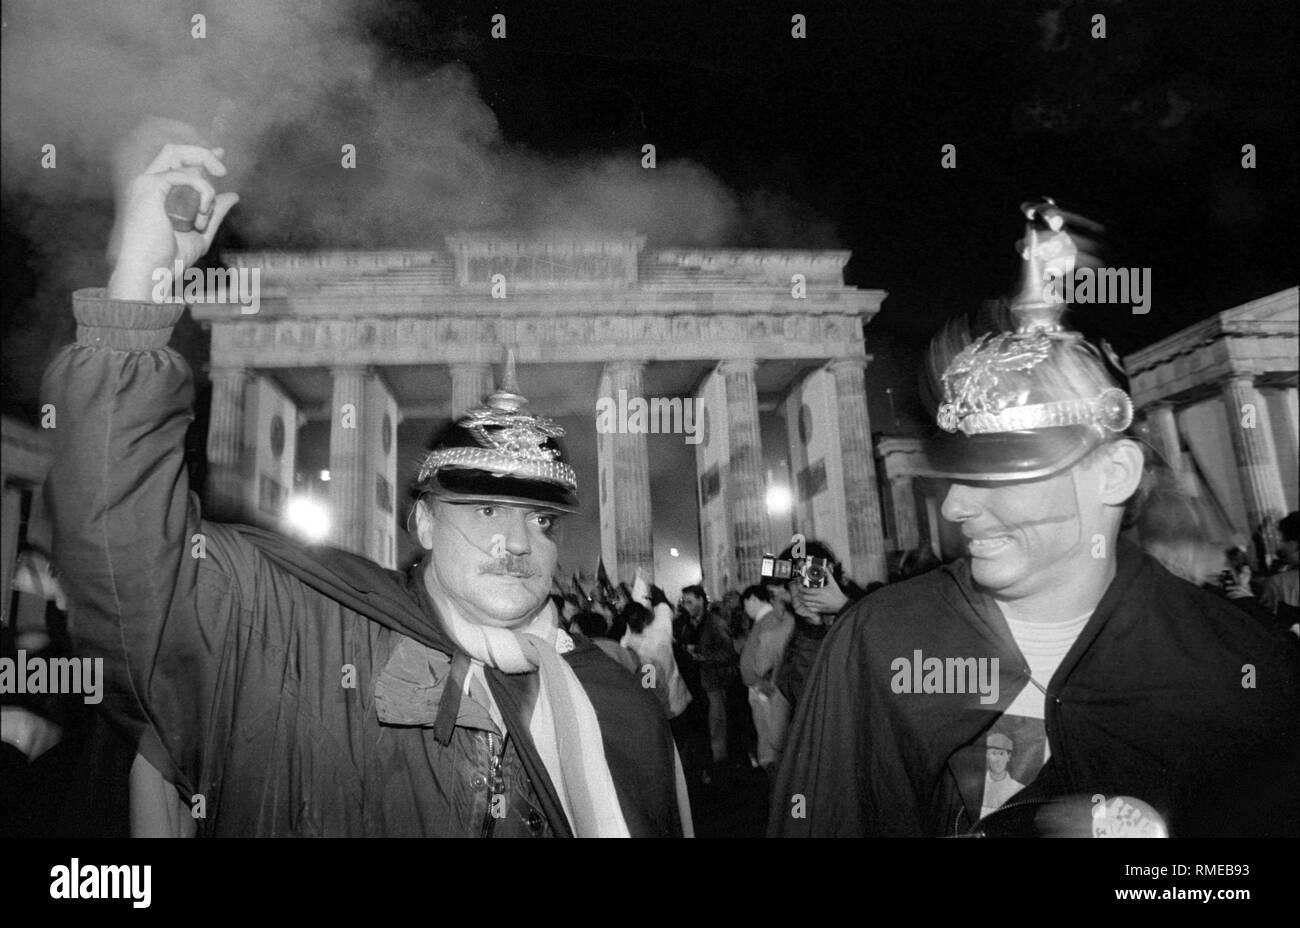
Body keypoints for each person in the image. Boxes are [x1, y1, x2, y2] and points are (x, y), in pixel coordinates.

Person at [40, 135, 691, 837]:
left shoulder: (611, 700)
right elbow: (130, 575)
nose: (514, 540)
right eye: (484, 506)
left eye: (539, 518)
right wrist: (134, 299)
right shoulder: (309, 642)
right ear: (424, 524)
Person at [771, 200, 1300, 837]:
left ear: (1114, 474)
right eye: (960, 473)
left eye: (1003, 476)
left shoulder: (1247, 668)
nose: (956, 505)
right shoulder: (876, 644)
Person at [738, 585, 794, 772]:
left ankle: (776, 777)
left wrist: (766, 682)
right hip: (760, 687)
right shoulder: (764, 620)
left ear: (752, 599)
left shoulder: (769, 619)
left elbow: (772, 656)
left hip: (766, 690)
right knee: (767, 735)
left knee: (773, 737)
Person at [1261, 511, 1300, 635]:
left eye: (1282, 539)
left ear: (1294, 543)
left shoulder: (1277, 583)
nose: (1280, 545)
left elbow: (1266, 625)